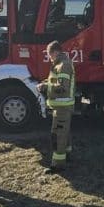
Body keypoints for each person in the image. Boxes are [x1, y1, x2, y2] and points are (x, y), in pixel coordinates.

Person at [37, 40, 75, 173]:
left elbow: (63, 88)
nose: (49, 57)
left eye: (50, 55)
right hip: (62, 106)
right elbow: (57, 81)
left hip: (62, 107)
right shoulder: (60, 64)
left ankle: (58, 165)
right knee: (64, 132)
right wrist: (46, 82)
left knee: (58, 135)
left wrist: (45, 87)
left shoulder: (63, 65)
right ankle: (67, 155)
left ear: (56, 52)